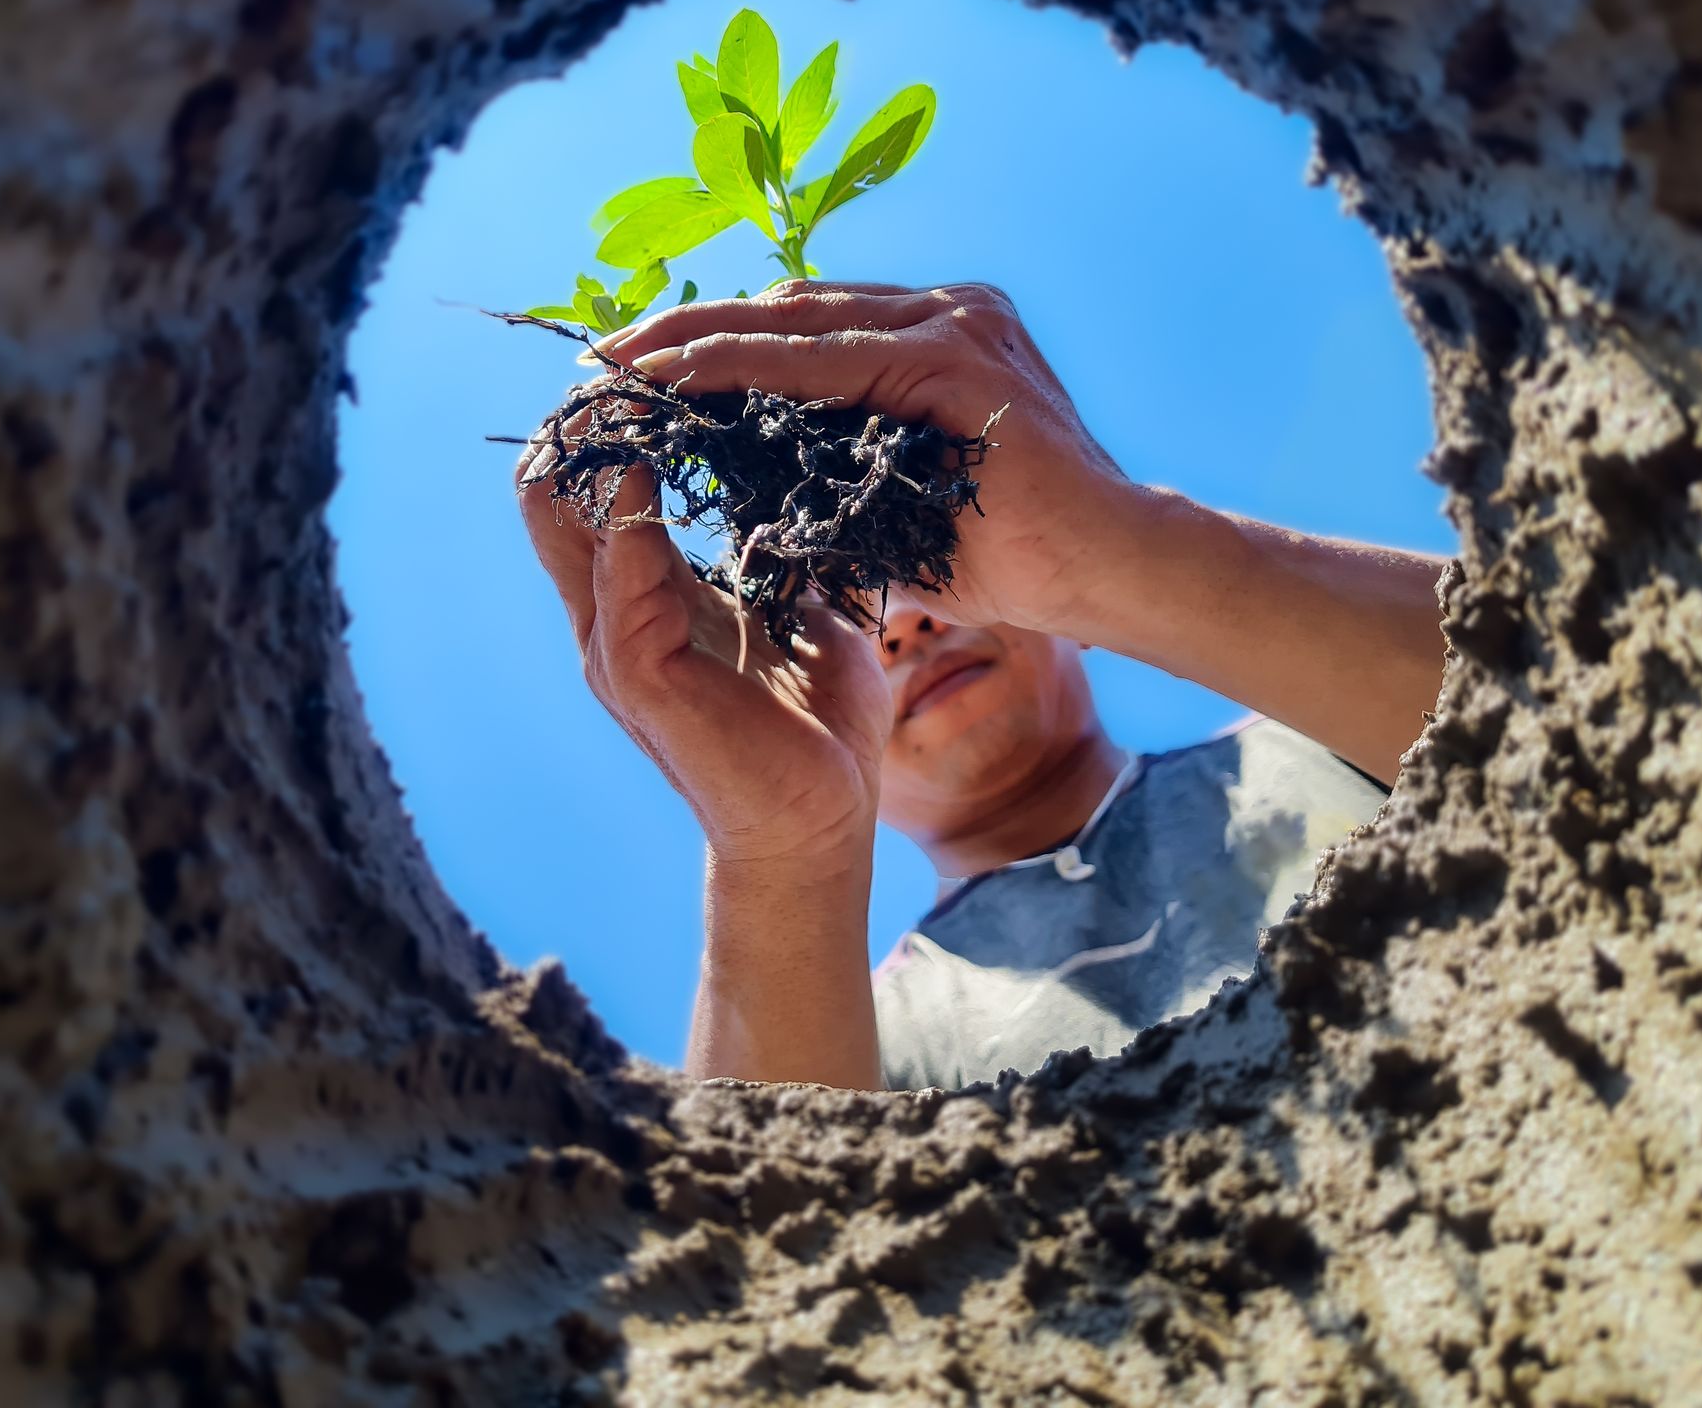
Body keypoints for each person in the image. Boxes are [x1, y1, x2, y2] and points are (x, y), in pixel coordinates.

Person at [515, 281, 1448, 1091]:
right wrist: (781, 854)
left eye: (928, 571)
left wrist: (1126, 555)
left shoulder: (1326, 738)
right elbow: (759, 1279)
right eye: (843, 609)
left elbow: (1580, 696)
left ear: (1077, 635)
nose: (910, 623)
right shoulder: (859, 1040)